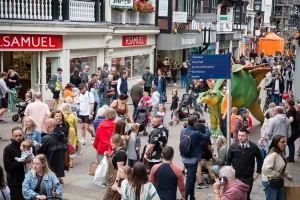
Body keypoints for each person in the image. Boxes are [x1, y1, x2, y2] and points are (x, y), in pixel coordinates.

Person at [226, 128, 263, 200]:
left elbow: (260, 159)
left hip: (248, 178)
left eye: (242, 136)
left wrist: (258, 172)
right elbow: (228, 161)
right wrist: (228, 175)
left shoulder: (253, 147)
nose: (240, 137)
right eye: (239, 135)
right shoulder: (233, 147)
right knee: (236, 196)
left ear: (247, 136)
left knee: (246, 196)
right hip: (236, 177)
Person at [180, 115, 210, 199]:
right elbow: (206, 136)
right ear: (194, 123)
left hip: (184, 158)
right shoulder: (195, 133)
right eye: (197, 122)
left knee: (191, 179)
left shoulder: (183, 130)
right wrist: (206, 127)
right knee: (190, 181)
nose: (197, 123)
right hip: (192, 159)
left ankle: (192, 197)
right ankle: (184, 197)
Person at [262, 135, 293, 200]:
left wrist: (288, 176)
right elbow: (265, 170)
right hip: (270, 182)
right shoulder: (273, 154)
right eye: (282, 142)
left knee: (282, 198)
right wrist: (278, 174)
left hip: (277, 180)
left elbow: (281, 167)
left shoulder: (280, 152)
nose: (284, 144)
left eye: (285, 142)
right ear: (276, 143)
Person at [37, 119, 67, 185]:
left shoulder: (47, 138)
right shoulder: (62, 135)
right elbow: (65, 147)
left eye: (45, 125)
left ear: (48, 126)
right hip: (59, 165)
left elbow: (38, 150)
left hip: (49, 163)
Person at [3, 127, 30, 200]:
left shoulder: (30, 146)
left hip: (30, 182)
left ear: (23, 134)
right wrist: (22, 162)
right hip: (15, 183)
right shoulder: (8, 149)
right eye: (16, 136)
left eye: (20, 135)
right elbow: (8, 168)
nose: (18, 137)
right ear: (12, 136)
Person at [94, 108, 117, 187]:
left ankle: (104, 182)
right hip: (112, 147)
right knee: (112, 165)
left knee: (103, 164)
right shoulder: (115, 126)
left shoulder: (101, 125)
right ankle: (111, 180)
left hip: (102, 146)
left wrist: (96, 146)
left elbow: (97, 137)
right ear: (114, 116)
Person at [103, 134, 127, 200]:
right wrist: (107, 156)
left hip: (115, 180)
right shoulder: (115, 151)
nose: (111, 144)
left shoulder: (121, 154)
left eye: (113, 142)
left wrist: (116, 183)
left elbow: (120, 170)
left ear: (118, 143)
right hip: (111, 180)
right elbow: (113, 163)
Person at [61, 103, 78, 168]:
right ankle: (71, 162)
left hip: (64, 131)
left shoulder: (62, 115)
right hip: (71, 130)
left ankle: (66, 160)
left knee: (65, 145)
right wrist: (76, 133)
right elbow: (75, 125)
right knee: (72, 146)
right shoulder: (72, 115)